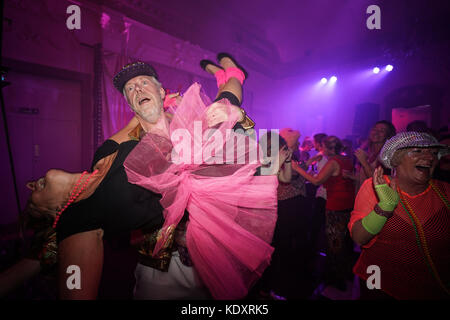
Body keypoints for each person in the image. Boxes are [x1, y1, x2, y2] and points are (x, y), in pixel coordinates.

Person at [349, 131, 450, 299]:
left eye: (433, 153)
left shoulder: (446, 191)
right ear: (397, 158)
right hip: (379, 282)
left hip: (430, 288)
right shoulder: (376, 186)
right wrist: (385, 208)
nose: (429, 157)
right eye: (418, 151)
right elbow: (359, 237)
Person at [292, 136, 355, 291]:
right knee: (343, 240)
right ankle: (345, 273)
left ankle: (335, 278)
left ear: (327, 148)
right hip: (347, 203)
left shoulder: (333, 161)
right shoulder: (346, 159)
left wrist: (298, 168)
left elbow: (316, 181)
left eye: (323, 147)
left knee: (334, 242)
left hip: (336, 203)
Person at [354, 121, 396, 191]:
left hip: (375, 198)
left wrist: (364, 162)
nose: (376, 132)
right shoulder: (369, 152)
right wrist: (353, 177)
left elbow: (379, 181)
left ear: (388, 135)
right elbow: (365, 178)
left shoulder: (386, 156)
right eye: (375, 129)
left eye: (382, 130)